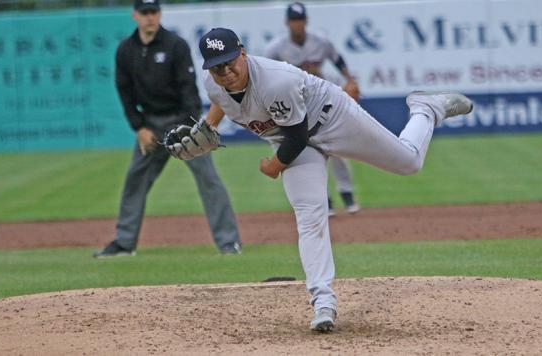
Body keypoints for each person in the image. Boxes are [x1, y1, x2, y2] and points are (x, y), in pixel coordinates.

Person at [166, 28, 472, 332]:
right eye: (217, 66)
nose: (227, 71)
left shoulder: (275, 81)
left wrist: (273, 167)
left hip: (333, 119)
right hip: (290, 140)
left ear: (243, 53)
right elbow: (223, 101)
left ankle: (425, 109)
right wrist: (208, 128)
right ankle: (323, 301)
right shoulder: (214, 84)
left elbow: (297, 136)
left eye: (231, 61)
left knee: (409, 162)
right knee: (309, 216)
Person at [93, 0, 241, 258]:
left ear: (159, 14)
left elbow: (188, 91)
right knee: (135, 180)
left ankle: (229, 243)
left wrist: (188, 128)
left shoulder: (176, 45)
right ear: (135, 15)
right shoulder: (126, 50)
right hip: (150, 125)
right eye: (144, 12)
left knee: (209, 179)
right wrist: (139, 127)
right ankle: (124, 243)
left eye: (153, 12)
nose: (149, 17)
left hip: (181, 121)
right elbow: (124, 93)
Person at [265, 2, 361, 216]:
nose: (297, 24)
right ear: (287, 23)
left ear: (306, 21)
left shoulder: (320, 42)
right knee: (309, 152)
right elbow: (266, 75)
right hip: (295, 105)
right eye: (293, 20)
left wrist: (350, 79)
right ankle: (325, 200)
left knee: (337, 147)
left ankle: (347, 194)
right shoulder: (276, 48)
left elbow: (337, 59)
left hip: (322, 99)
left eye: (300, 20)